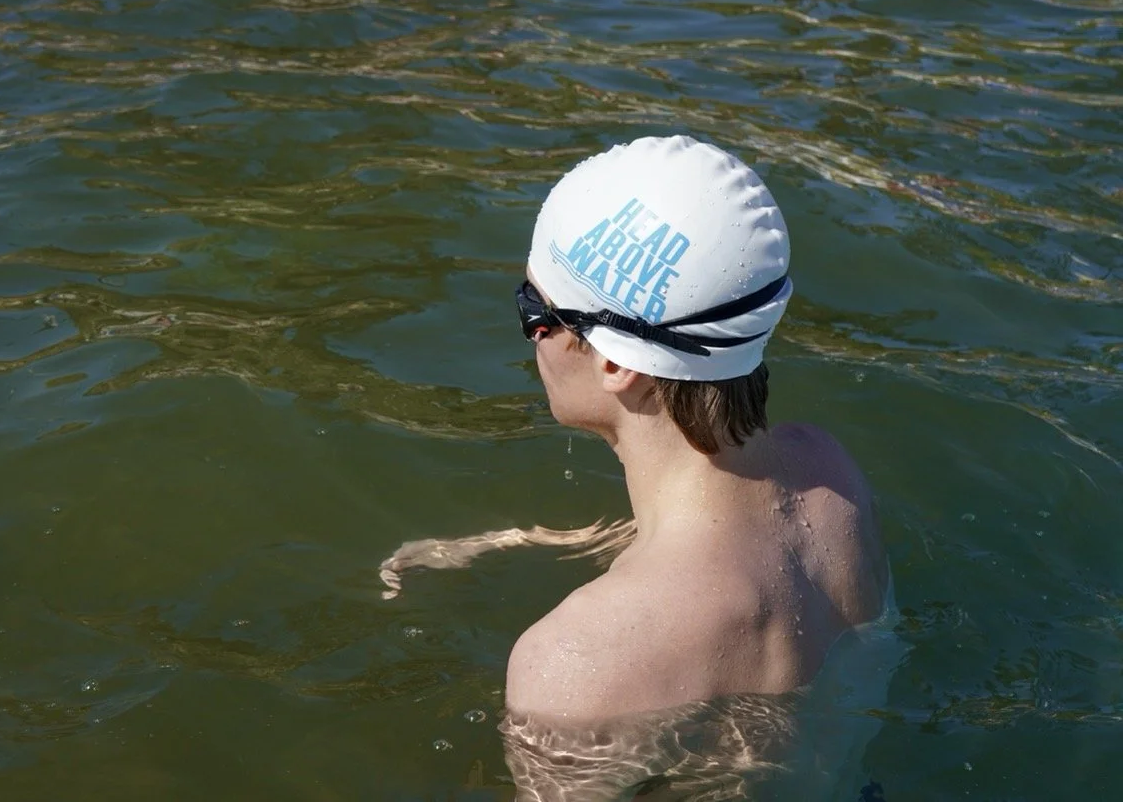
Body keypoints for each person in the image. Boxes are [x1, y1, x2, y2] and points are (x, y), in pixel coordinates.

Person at [381, 134, 889, 750]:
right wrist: (515, 540)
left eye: (534, 311)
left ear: (618, 363)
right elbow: (718, 544)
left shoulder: (574, 667)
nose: (530, 337)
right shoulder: (830, 477)